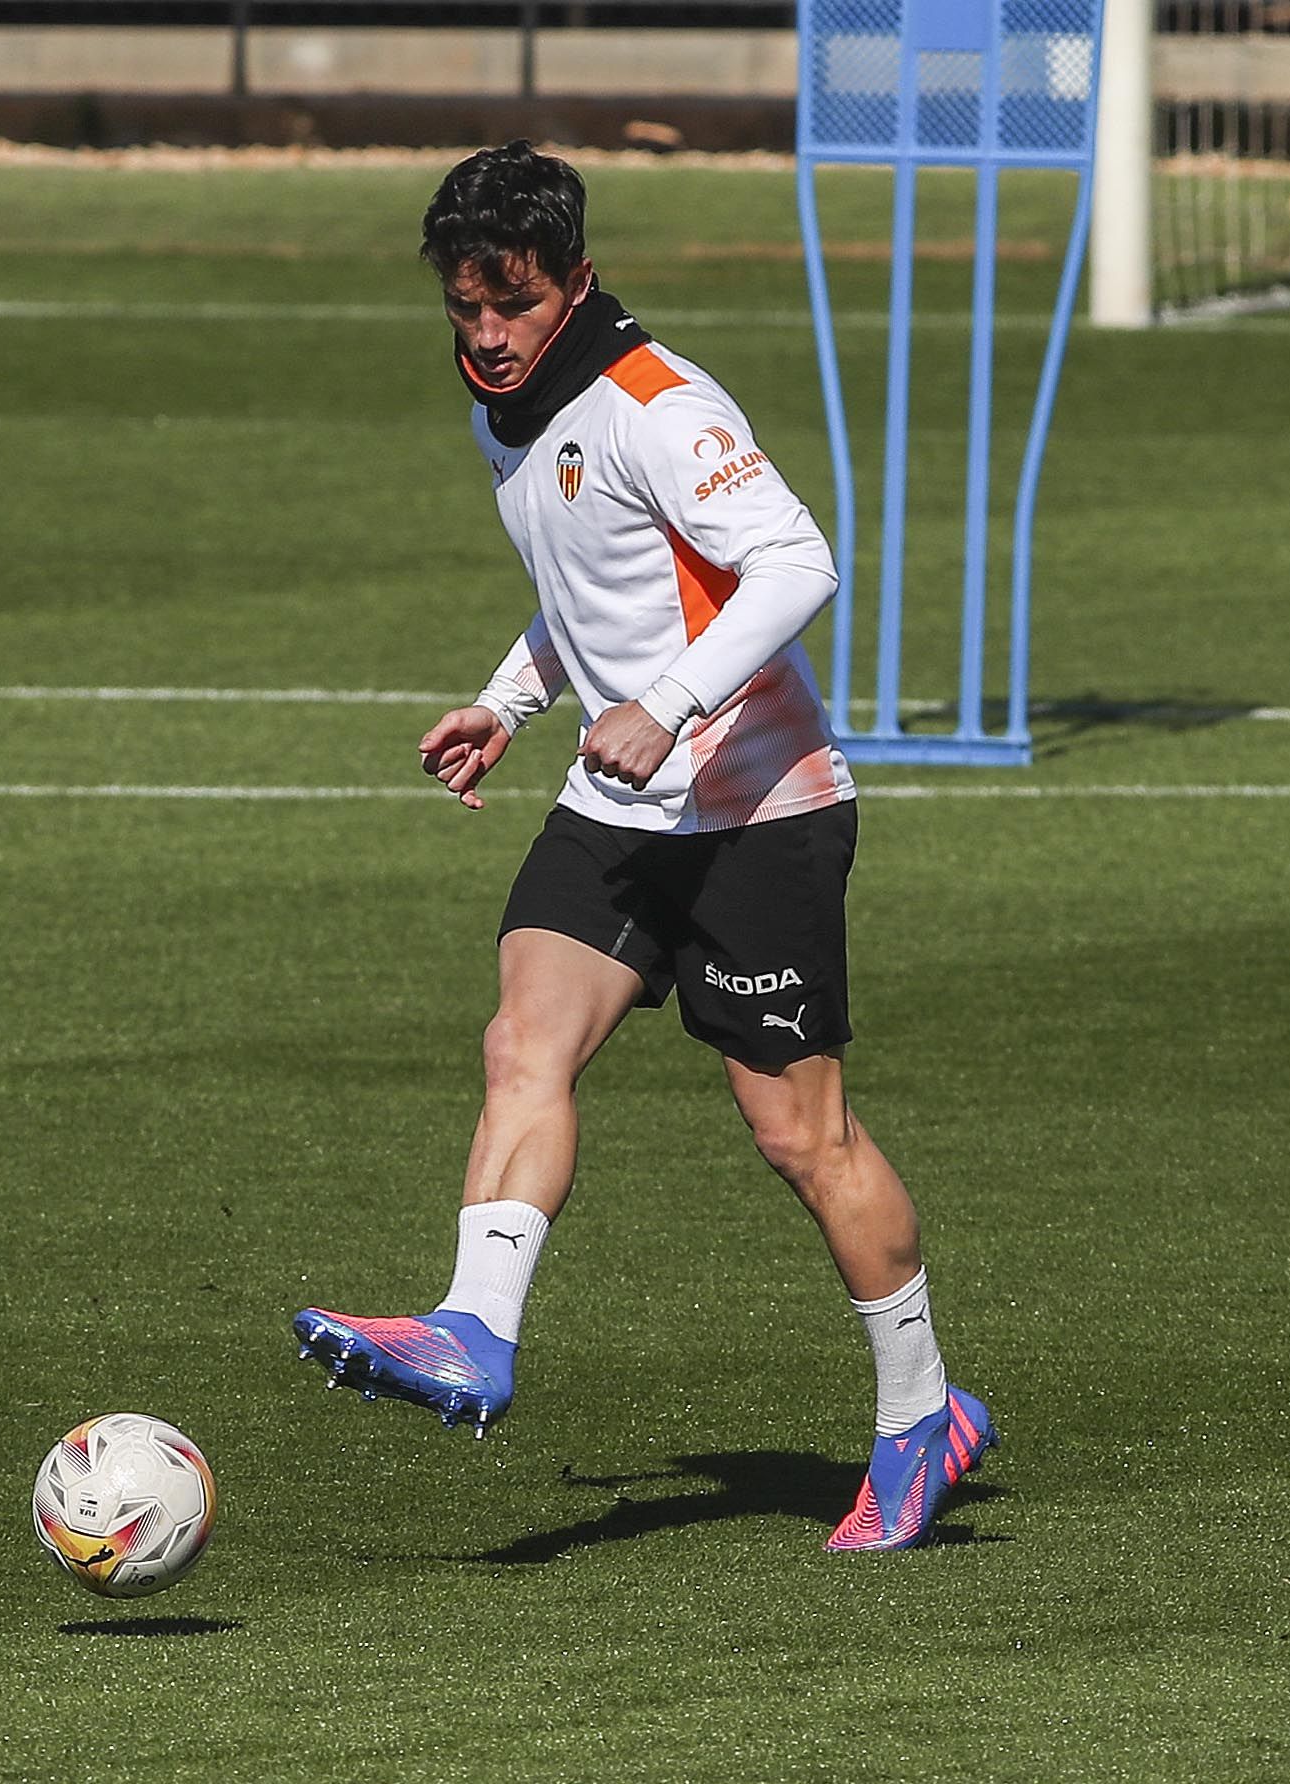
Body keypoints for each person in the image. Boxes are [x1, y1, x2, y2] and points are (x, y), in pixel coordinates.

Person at [294, 141, 995, 1551]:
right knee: (521, 1045)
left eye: (516, 301)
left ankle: (924, 1416)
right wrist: (510, 703)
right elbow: (591, 584)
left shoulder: (655, 406)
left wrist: (668, 705)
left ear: (576, 282)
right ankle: (475, 1331)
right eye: (464, 304)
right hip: (619, 810)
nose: (487, 333)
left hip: (757, 815)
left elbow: (797, 557)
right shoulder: (509, 404)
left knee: (801, 1136)